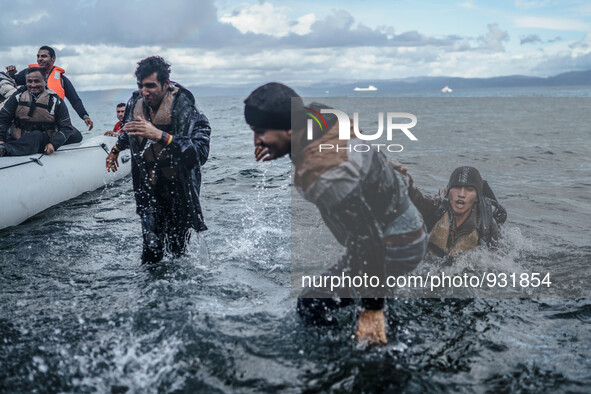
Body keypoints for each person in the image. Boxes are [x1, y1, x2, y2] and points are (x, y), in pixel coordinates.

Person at [244, 82, 428, 345]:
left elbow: (368, 238)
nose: (256, 141)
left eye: (260, 132)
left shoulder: (327, 175)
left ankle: (350, 363)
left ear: (289, 129)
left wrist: (372, 309)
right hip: (402, 219)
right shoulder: (321, 116)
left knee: (312, 303)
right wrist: (277, 146)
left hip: (396, 242)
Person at [105, 56, 211, 264]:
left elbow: (199, 154)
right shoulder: (135, 103)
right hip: (148, 188)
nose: (145, 92)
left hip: (179, 188)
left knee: (177, 249)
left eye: (151, 86)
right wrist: (115, 150)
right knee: (151, 249)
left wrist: (161, 136)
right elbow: (129, 131)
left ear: (166, 83)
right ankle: (147, 293)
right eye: (141, 86)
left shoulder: (186, 108)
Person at [399, 164, 507, 257]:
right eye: (456, 188)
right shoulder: (438, 209)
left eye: (469, 190)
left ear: (477, 198)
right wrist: (406, 182)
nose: (461, 194)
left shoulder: (486, 224)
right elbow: (418, 201)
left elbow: (495, 259)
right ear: (448, 192)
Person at [6, 45, 93, 139]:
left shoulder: (61, 80)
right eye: (38, 56)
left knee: (76, 137)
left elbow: (75, 100)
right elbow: (14, 82)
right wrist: (10, 74)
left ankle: (50, 142)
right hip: (30, 120)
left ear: (53, 58)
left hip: (51, 122)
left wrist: (85, 116)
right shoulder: (29, 74)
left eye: (43, 56)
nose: (39, 59)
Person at [0, 67, 76, 157]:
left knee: (37, 135)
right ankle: (4, 148)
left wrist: (53, 144)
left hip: (42, 139)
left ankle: (5, 150)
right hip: (17, 137)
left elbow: (66, 127)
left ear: (45, 81)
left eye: (37, 81)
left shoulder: (55, 100)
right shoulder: (18, 96)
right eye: (29, 81)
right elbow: (4, 118)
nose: (33, 85)